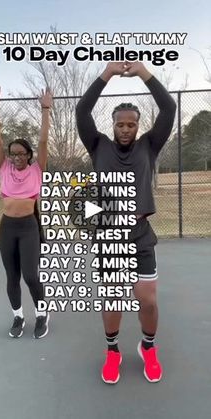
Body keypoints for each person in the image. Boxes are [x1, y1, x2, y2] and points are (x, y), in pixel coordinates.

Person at [76, 61, 176, 383]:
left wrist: (144, 72)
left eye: (131, 124)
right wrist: (107, 73)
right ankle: (112, 351)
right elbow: (81, 111)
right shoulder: (98, 145)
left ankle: (148, 347)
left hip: (140, 235)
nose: (125, 129)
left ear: (137, 126)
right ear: (113, 124)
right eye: (120, 124)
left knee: (147, 298)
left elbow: (168, 106)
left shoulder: (150, 145)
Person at [0, 86, 52, 339]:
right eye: (12, 153)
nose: (15, 157)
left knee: (30, 275)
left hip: (28, 228)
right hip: (7, 228)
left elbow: (44, 139)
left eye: (21, 153)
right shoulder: (3, 168)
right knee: (11, 276)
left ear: (29, 155)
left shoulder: (37, 170)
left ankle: (41, 313)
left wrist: (45, 109)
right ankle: (17, 316)